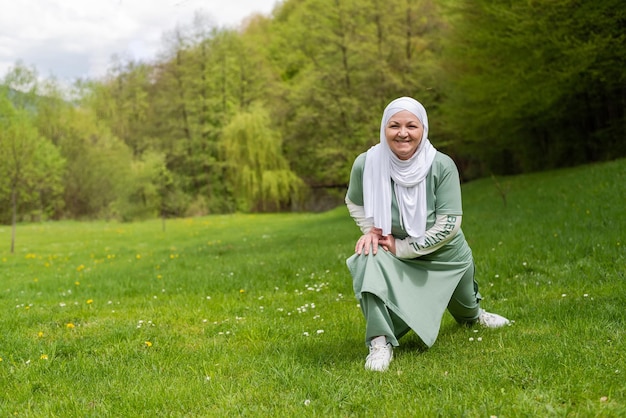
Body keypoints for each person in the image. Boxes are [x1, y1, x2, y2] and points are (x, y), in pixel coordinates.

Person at [345, 97, 510, 372]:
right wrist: (372, 229)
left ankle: (475, 316)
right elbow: (354, 200)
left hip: (445, 255)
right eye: (394, 125)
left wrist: (405, 247)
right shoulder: (366, 163)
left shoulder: (441, 165)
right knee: (366, 257)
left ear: (424, 129)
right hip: (393, 250)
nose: (403, 133)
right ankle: (379, 342)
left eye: (412, 125)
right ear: (383, 129)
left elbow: (449, 223)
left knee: (466, 308)